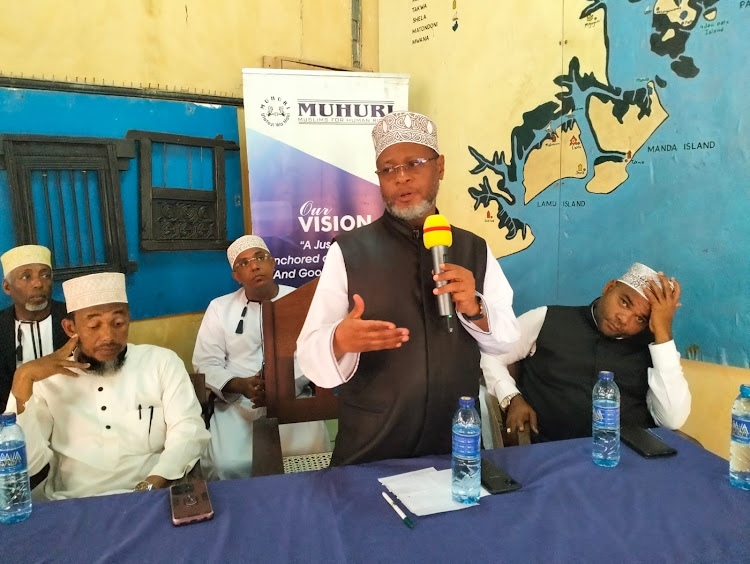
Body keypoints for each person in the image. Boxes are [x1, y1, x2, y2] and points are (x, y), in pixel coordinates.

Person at [297, 110, 520, 466]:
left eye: (414, 163)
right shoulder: (349, 251)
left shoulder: (473, 249)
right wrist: (339, 340)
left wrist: (475, 309)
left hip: (454, 446)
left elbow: (508, 339)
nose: (401, 178)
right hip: (371, 450)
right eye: (388, 169)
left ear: (440, 167)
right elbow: (308, 355)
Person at [6, 272, 210, 500]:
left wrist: (151, 485)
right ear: (70, 328)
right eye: (94, 325)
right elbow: (28, 465)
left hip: (151, 495)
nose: (108, 336)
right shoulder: (48, 379)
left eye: (118, 323)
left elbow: (188, 432)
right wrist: (23, 377)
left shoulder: (161, 362)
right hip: (71, 502)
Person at [482, 262, 692, 442]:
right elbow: (492, 353)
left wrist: (663, 334)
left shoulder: (653, 348)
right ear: (609, 287)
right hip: (552, 451)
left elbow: (672, 419)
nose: (624, 319)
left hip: (628, 458)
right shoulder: (547, 319)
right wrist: (512, 397)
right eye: (624, 302)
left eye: (640, 319)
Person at [192, 235, 330, 480]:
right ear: (236, 276)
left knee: (309, 459)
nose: (254, 265)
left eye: (260, 258)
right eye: (243, 264)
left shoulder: (302, 301)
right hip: (239, 404)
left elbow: (314, 354)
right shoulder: (219, 308)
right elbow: (206, 363)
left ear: (273, 263)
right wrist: (241, 385)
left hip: (294, 398)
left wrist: (282, 386)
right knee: (228, 464)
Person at [1, 245, 68, 408]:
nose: (38, 283)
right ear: (7, 287)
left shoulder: (74, 319)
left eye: (45, 275)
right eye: (26, 277)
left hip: (71, 416)